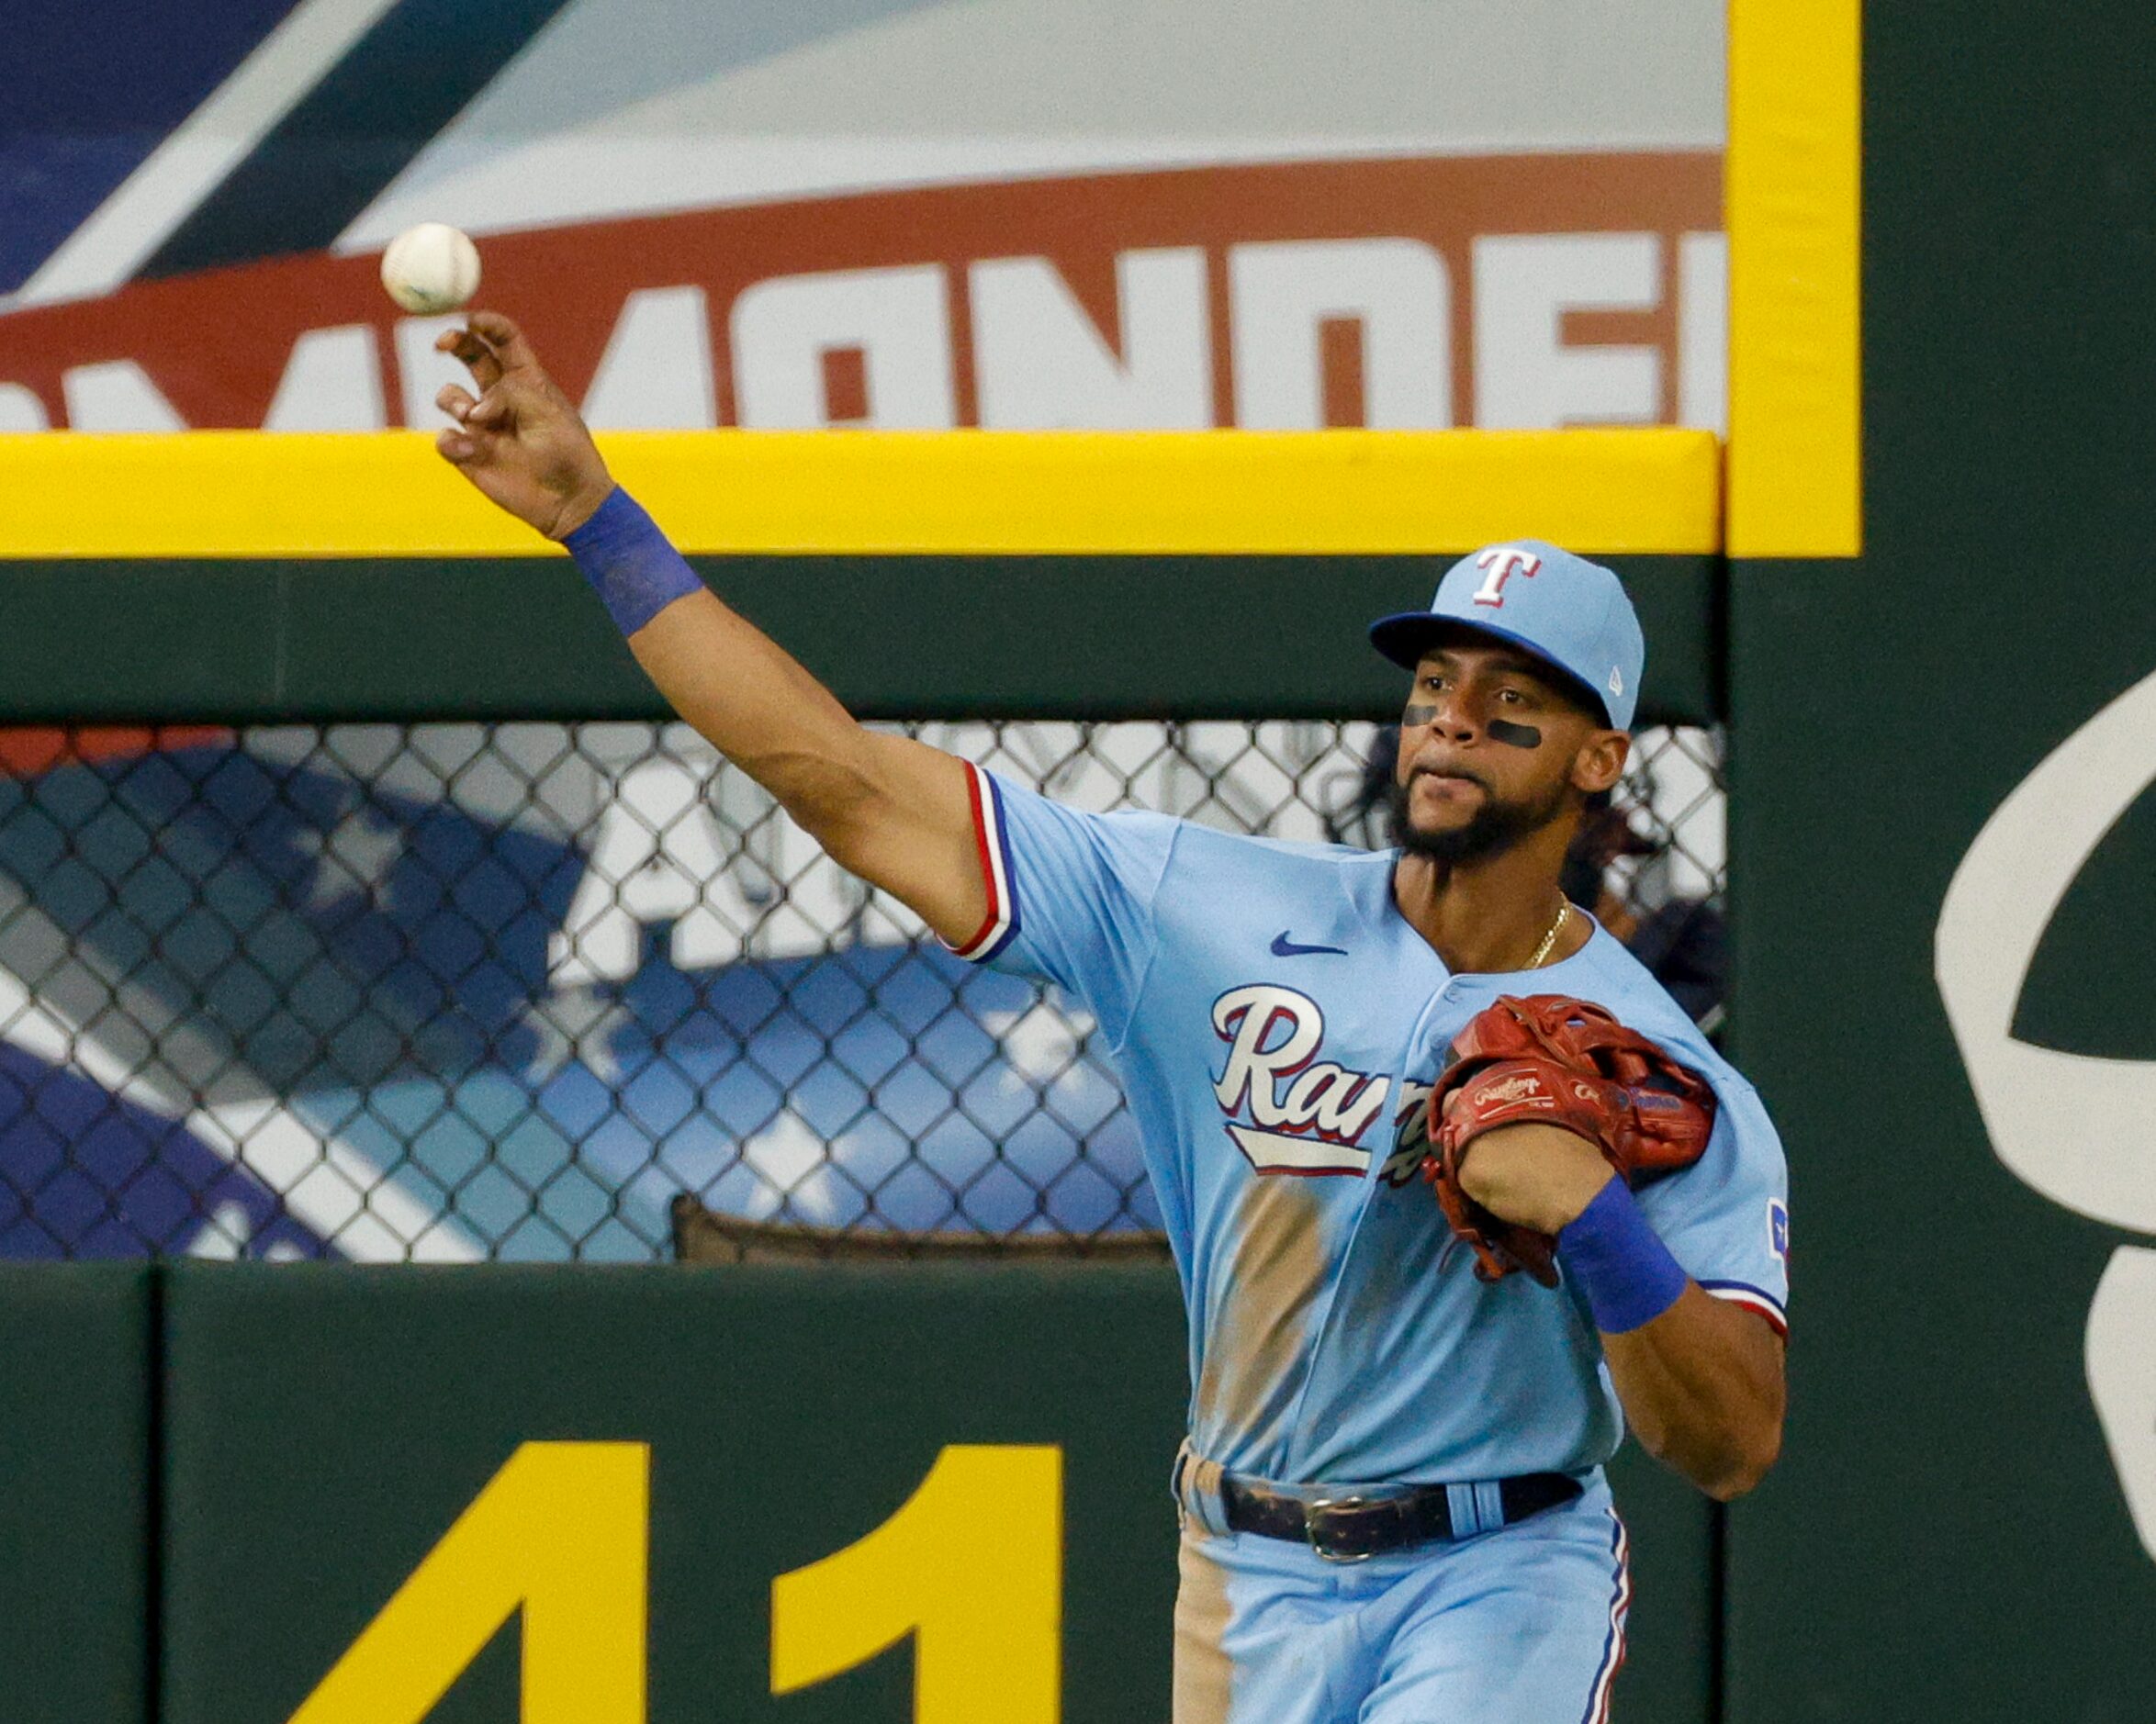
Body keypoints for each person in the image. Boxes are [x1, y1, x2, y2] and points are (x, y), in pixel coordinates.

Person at [431, 312, 1790, 1723]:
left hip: (1499, 1564)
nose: (1450, 719)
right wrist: (600, 522)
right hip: (1243, 1568)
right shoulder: (1193, 908)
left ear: (1600, 756)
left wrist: (1599, 1222)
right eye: (1435, 685)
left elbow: (1733, 1438)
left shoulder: (1658, 1062)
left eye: (1511, 698)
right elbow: (840, 780)